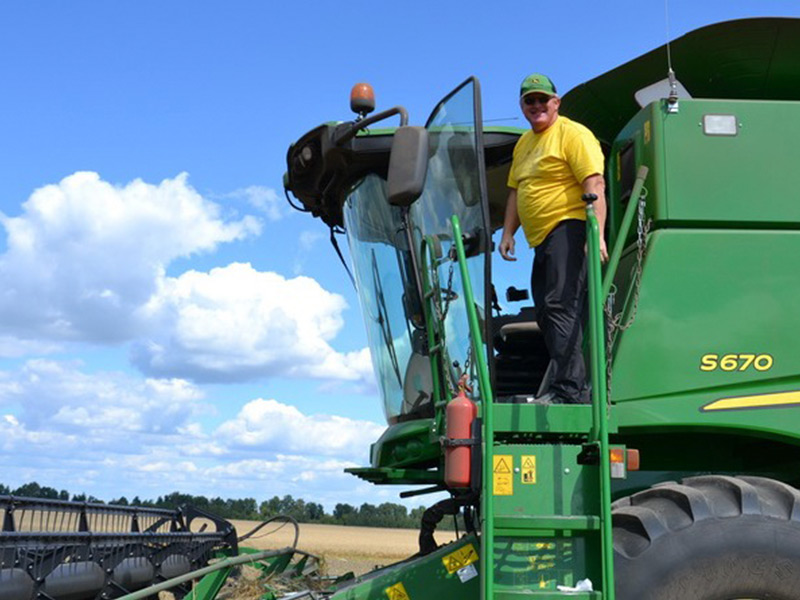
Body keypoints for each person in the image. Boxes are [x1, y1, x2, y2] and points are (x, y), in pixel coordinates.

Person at [499, 73, 607, 404]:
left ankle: (571, 392)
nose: (536, 106)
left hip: (569, 226)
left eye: (542, 100)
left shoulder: (572, 134)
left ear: (555, 103)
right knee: (546, 312)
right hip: (541, 238)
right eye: (529, 101)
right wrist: (507, 233)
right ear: (522, 106)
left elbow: (594, 182)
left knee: (561, 304)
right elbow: (518, 190)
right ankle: (565, 385)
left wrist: (596, 233)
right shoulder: (524, 144)